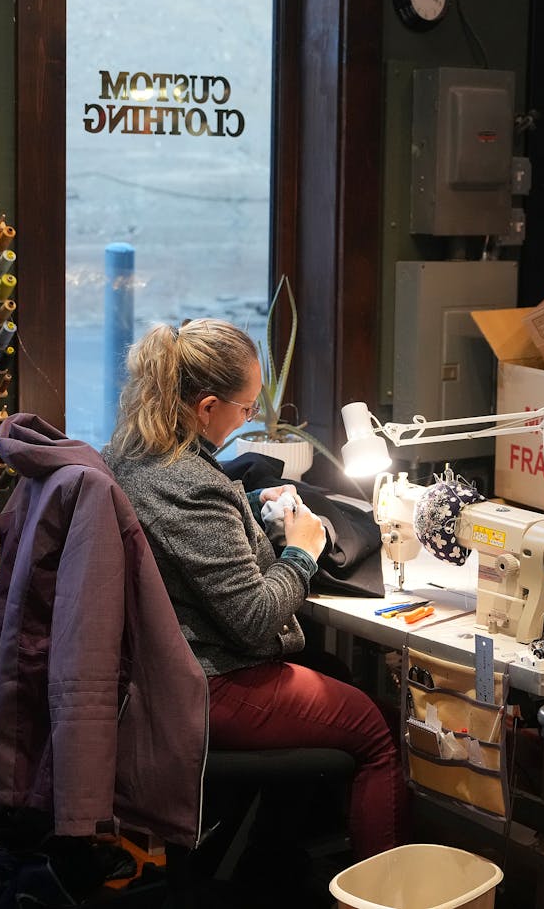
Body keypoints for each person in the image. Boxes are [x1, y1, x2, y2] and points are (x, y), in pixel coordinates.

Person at [103, 318, 408, 859]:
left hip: (166, 673)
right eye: (246, 410)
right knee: (379, 733)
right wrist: (302, 552)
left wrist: (247, 509)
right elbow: (253, 619)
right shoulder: (191, 486)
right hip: (210, 684)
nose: (248, 420)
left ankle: (261, 874)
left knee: (337, 679)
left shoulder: (134, 457)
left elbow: (190, 547)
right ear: (206, 406)